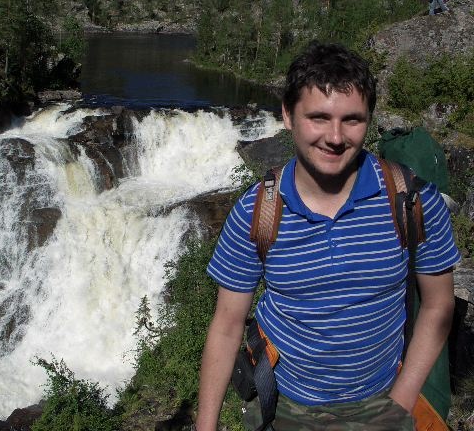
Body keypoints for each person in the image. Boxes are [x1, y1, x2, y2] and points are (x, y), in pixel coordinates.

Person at [195, 42, 460, 430]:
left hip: (383, 398)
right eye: (318, 117)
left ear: (369, 119)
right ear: (288, 115)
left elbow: (438, 306)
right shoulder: (257, 212)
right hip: (285, 404)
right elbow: (227, 324)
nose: (335, 137)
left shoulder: (412, 201)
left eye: (352, 120)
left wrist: (401, 401)